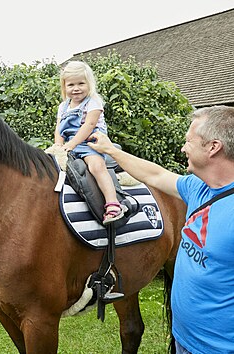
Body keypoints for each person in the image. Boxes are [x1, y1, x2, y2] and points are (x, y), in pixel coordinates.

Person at [88, 106, 234, 354]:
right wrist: (110, 150)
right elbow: (155, 174)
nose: (183, 148)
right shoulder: (199, 188)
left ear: (213, 147)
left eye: (189, 141)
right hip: (184, 340)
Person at [54, 61, 125, 224]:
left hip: (90, 144)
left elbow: (89, 125)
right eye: (71, 84)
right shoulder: (63, 107)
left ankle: (113, 203)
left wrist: (70, 145)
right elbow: (59, 129)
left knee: (96, 167)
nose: (76, 88)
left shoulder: (93, 102)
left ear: (89, 84)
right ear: (64, 86)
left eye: (81, 83)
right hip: (68, 146)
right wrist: (58, 146)